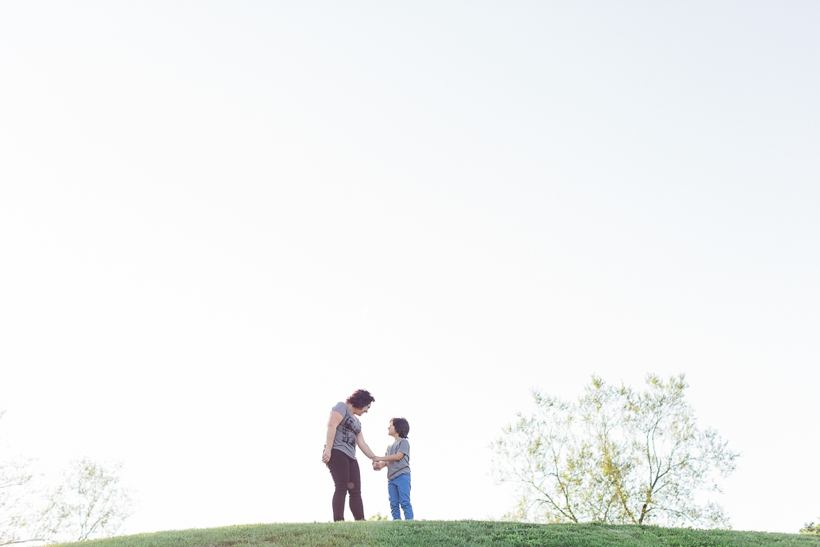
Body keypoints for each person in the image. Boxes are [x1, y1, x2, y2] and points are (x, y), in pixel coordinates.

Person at [321, 389, 379, 521]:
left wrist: (374, 457)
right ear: (361, 402)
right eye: (367, 407)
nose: (366, 411)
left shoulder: (357, 422)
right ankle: (339, 520)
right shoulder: (341, 407)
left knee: (356, 490)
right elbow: (331, 426)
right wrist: (328, 450)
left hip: (351, 457)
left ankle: (360, 521)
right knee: (341, 486)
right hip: (337, 452)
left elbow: (362, 443)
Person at [372, 417, 413, 520]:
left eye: (391, 425)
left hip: (402, 476)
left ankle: (410, 522)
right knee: (393, 503)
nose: (388, 427)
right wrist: (378, 465)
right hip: (391, 479)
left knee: (404, 501)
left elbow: (398, 456)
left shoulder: (404, 442)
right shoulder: (389, 447)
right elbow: (386, 462)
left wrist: (380, 458)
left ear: (398, 427)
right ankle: (397, 523)